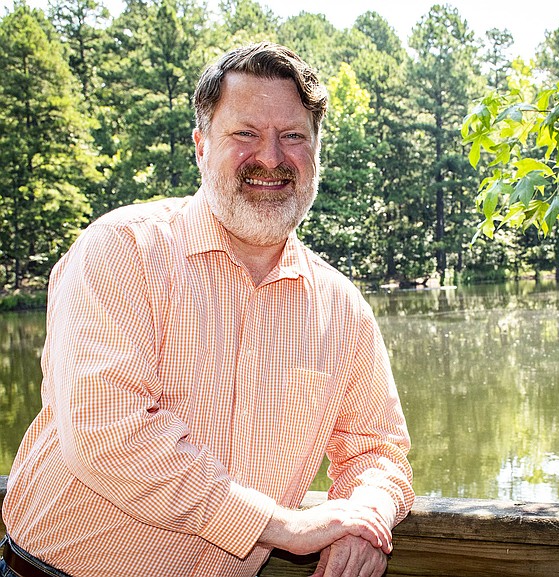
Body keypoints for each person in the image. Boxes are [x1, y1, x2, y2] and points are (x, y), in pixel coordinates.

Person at [0, 42, 414, 577]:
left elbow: (378, 451)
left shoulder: (342, 308)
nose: (270, 157)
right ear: (201, 146)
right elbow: (108, 431)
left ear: (315, 154)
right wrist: (283, 526)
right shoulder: (121, 250)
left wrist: (367, 518)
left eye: (292, 136)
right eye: (245, 134)